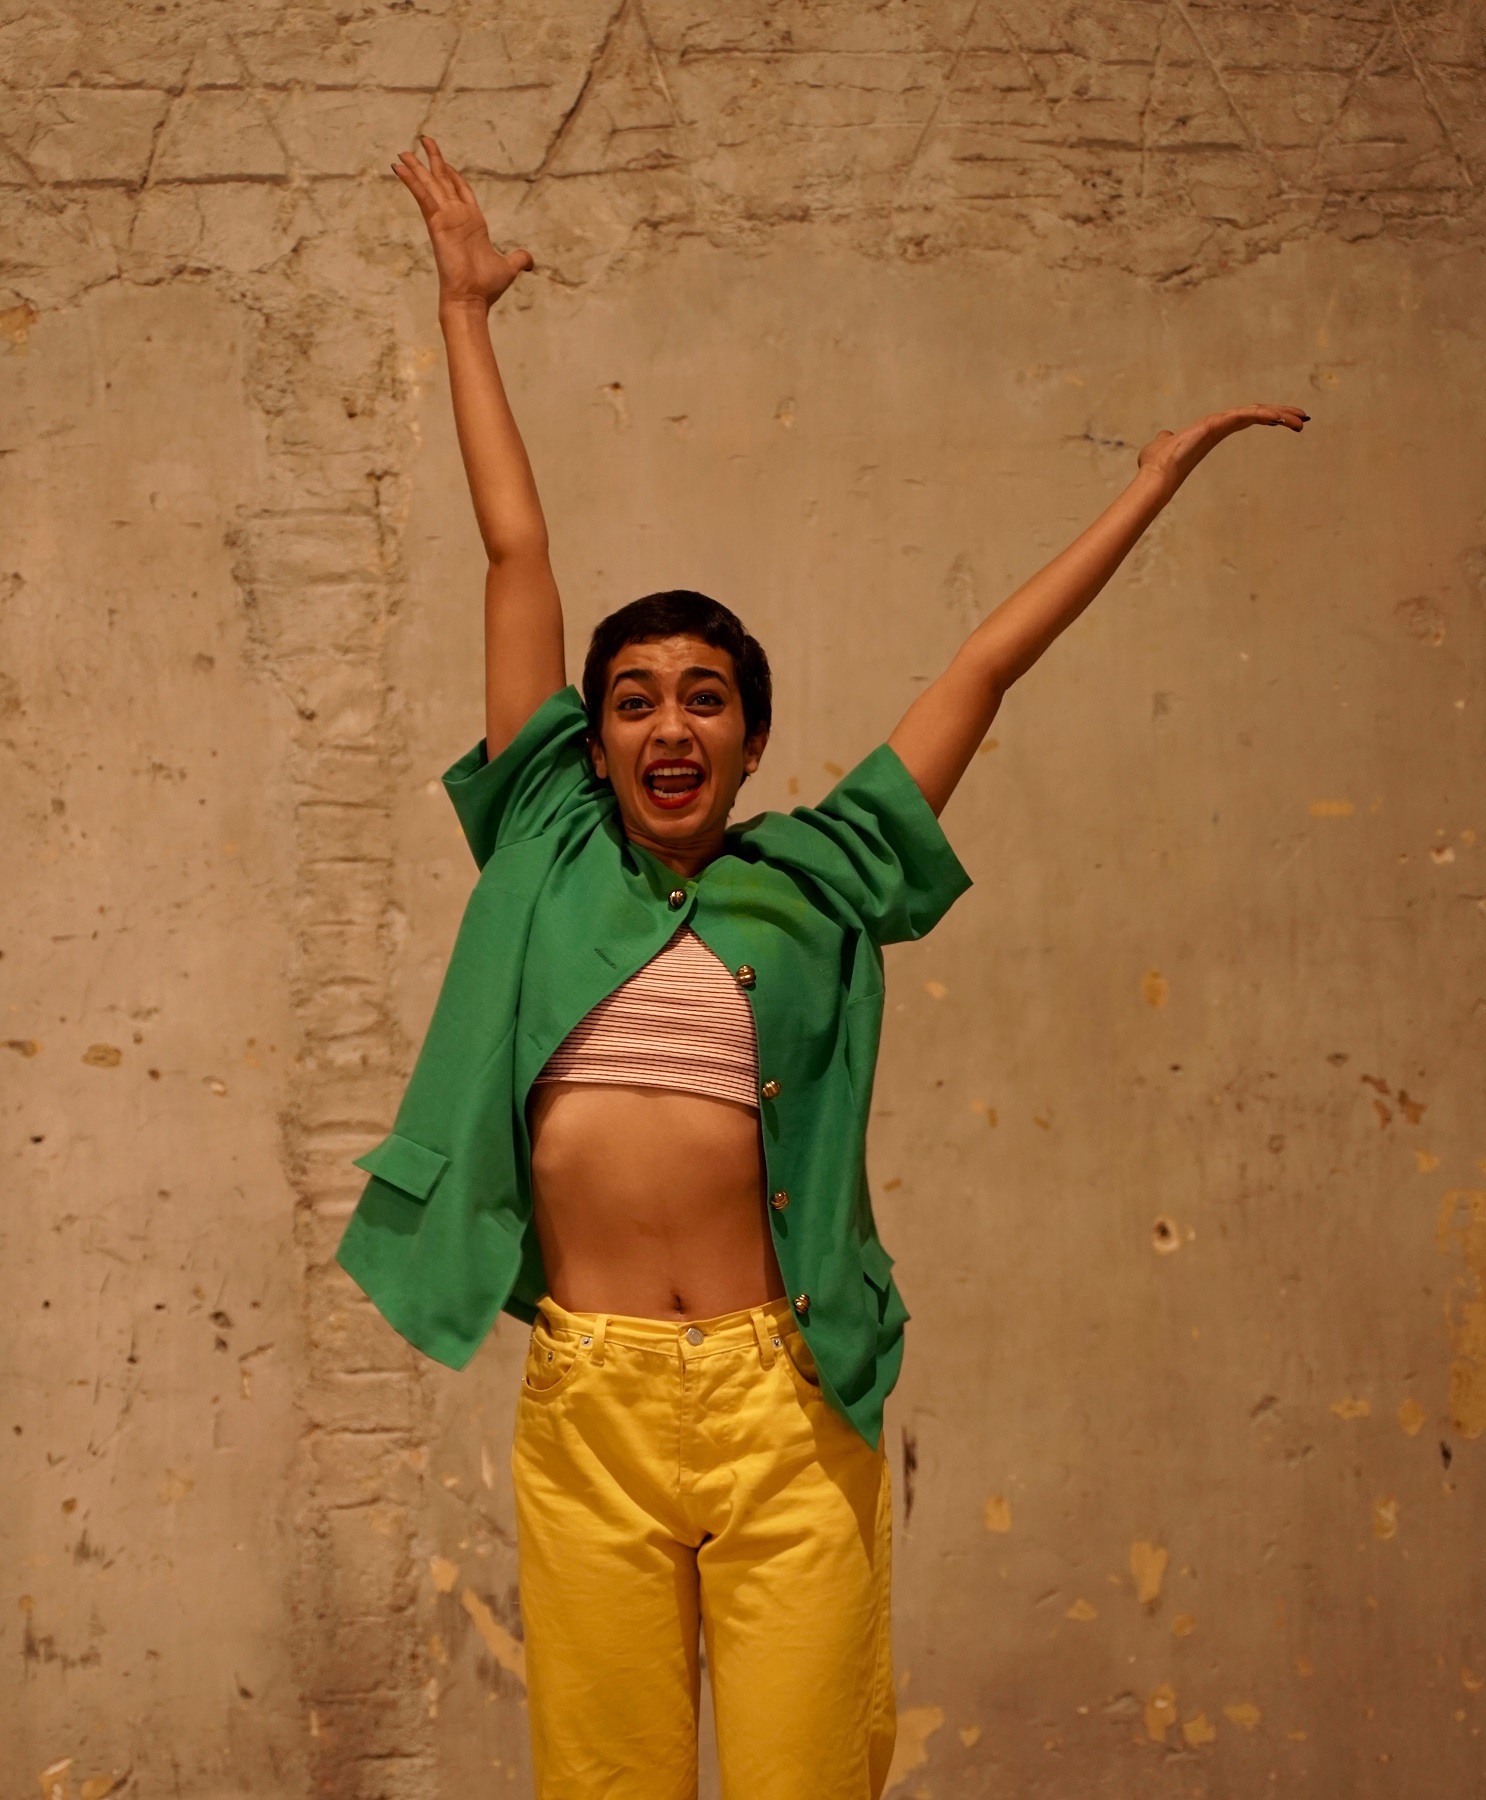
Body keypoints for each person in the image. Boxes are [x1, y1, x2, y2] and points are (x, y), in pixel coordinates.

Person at [336, 136, 1308, 1800]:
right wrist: (465, 313)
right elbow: (515, 554)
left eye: (704, 697)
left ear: (751, 738)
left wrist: (1147, 486)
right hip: (591, 1399)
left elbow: (982, 669)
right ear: (591, 738)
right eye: (632, 698)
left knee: (807, 1774)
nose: (666, 722)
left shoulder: (822, 870)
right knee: (606, 1780)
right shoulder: (545, 839)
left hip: (785, 1395)